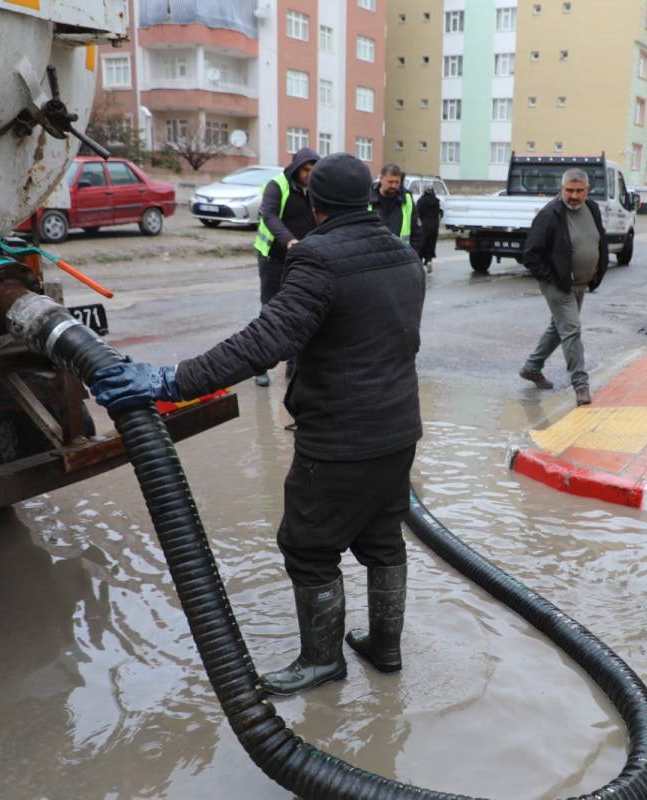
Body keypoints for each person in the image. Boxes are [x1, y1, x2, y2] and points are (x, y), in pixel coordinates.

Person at [88, 153, 426, 695]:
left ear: (316, 208)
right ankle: (385, 649)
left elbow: (265, 341)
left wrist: (173, 380)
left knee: (308, 546)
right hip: (399, 430)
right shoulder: (405, 255)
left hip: (339, 438)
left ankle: (323, 662)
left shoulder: (318, 259)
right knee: (383, 538)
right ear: (367, 199)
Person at [518, 167, 608, 407]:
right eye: (569, 190)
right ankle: (581, 385)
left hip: (580, 283)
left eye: (579, 191)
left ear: (587, 190)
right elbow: (531, 255)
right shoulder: (550, 214)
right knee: (571, 330)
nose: (574, 196)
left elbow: (599, 239)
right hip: (558, 285)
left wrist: (598, 269)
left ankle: (532, 367)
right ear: (562, 189)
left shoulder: (592, 208)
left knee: (559, 328)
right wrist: (555, 278)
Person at [252, 147, 320, 386]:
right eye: (306, 170)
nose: (309, 175)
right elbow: (269, 216)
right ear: (296, 167)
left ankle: (294, 364)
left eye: (313, 170)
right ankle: (260, 366)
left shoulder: (316, 189)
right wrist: (289, 240)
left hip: (301, 260)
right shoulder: (277, 185)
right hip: (274, 257)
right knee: (270, 313)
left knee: (298, 311)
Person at [370, 163, 424, 256]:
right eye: (390, 182)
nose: (394, 186)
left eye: (397, 182)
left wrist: (413, 258)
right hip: (374, 258)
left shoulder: (407, 199)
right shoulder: (367, 198)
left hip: (401, 258)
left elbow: (417, 233)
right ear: (381, 179)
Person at [416, 186, 443, 273]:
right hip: (435, 226)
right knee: (431, 244)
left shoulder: (421, 201)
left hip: (424, 226)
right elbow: (440, 213)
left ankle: (419, 264)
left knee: (422, 244)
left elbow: (417, 213)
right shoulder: (436, 201)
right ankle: (429, 261)